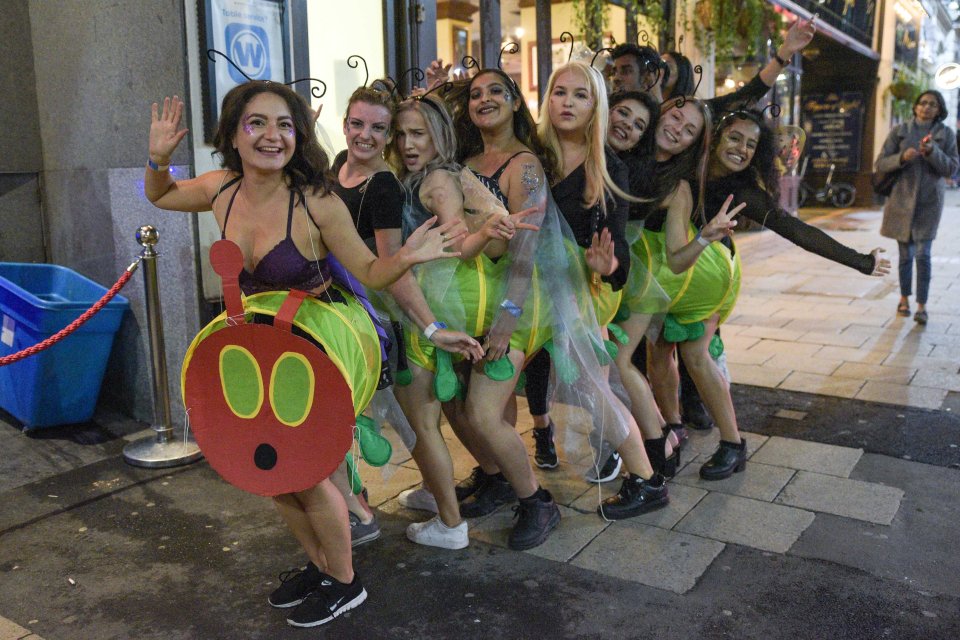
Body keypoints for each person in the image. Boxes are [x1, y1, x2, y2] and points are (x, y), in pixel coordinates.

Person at [145, 83, 459, 627]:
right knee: (267, 468)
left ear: (299, 135)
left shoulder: (316, 200)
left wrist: (408, 255)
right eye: (257, 124)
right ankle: (320, 565)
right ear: (233, 135)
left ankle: (345, 581)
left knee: (307, 471)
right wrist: (158, 159)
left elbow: (368, 272)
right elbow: (162, 195)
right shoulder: (220, 189)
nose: (272, 136)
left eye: (285, 125)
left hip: (316, 343)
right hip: (256, 347)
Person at [387, 93, 546, 549]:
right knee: (457, 404)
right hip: (462, 296)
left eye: (418, 133)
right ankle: (496, 482)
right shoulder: (449, 169)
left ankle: (536, 501)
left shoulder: (439, 178)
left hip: (479, 299)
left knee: (477, 411)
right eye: (401, 134)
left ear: (439, 134)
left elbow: (463, 243)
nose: (408, 143)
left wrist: (481, 239)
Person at [331, 85, 483, 547]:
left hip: (390, 319)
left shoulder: (384, 186)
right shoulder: (338, 164)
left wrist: (431, 327)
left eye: (380, 129)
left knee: (419, 421)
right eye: (360, 124)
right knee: (406, 419)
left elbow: (393, 266)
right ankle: (439, 501)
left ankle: (452, 524)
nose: (368, 136)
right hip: (354, 315)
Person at [538, 61, 669, 519]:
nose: (567, 103)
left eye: (580, 95)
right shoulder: (535, 154)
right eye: (559, 92)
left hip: (582, 288)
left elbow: (619, 258)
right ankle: (506, 476)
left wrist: (608, 264)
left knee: (595, 388)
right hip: (529, 285)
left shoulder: (606, 165)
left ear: (596, 106)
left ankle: (647, 479)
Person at [707, 109, 890, 277]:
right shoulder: (687, 164)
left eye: (751, 145)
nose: (741, 149)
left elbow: (797, 230)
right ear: (715, 137)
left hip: (701, 273)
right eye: (734, 138)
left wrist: (863, 261)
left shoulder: (743, 192)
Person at [876, 90, 959, 325]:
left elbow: (952, 169)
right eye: (922, 103)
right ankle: (904, 299)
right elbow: (880, 162)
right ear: (915, 107)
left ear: (939, 109)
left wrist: (933, 152)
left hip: (929, 202)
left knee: (923, 255)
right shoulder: (900, 131)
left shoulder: (946, 134)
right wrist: (902, 157)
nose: (926, 107)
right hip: (901, 200)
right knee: (905, 255)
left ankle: (922, 305)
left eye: (932, 104)